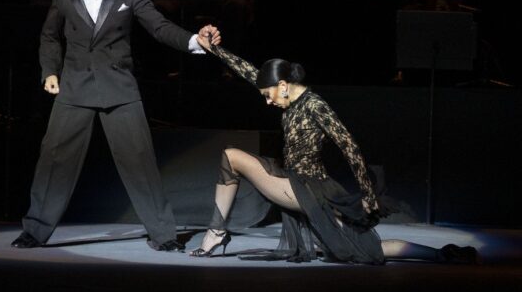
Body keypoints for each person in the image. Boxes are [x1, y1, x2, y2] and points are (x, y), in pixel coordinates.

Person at [10, 0, 222, 251]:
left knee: (140, 161)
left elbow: (159, 26)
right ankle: (35, 230)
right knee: (55, 160)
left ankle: (163, 235)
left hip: (119, 87)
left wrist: (195, 41)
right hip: (75, 87)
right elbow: (50, 35)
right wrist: (50, 71)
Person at [188, 37, 479, 264]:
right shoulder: (285, 94)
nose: (267, 102)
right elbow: (246, 69)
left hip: (308, 188)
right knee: (361, 245)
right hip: (297, 182)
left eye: (268, 95)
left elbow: (350, 147)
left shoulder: (315, 105)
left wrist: (368, 194)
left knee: (366, 249)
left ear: (283, 85)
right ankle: (441, 254)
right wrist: (212, 47)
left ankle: (216, 233)